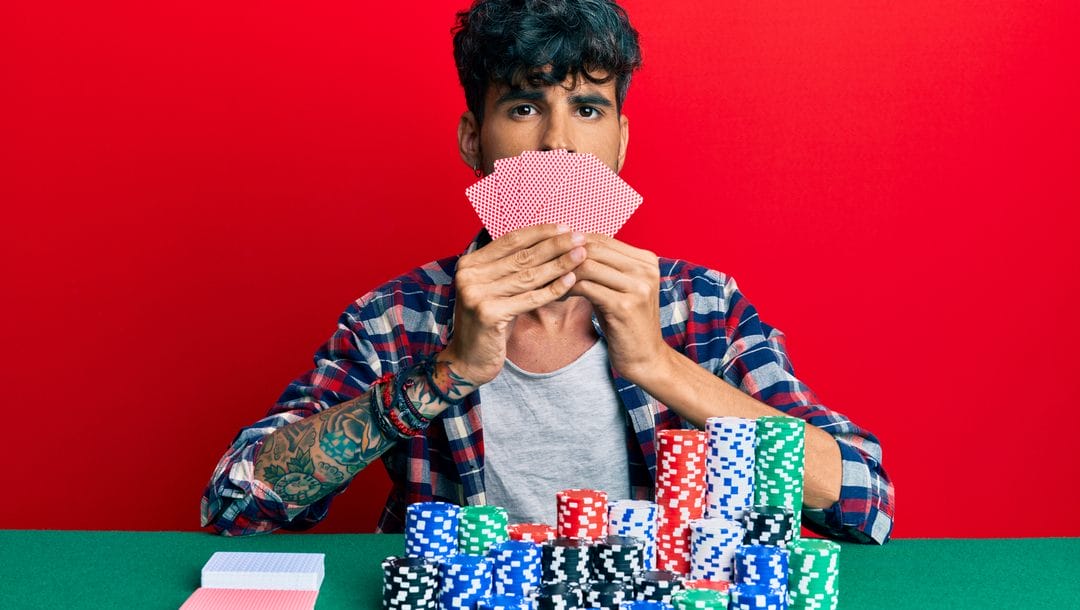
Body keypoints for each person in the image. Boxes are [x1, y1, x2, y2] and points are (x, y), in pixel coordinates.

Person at [201, 0, 895, 544]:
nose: (557, 143)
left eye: (588, 109)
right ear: (475, 139)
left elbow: (864, 500)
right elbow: (234, 504)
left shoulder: (699, 306)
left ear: (619, 142)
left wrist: (657, 363)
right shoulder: (397, 316)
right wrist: (444, 374)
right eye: (525, 107)